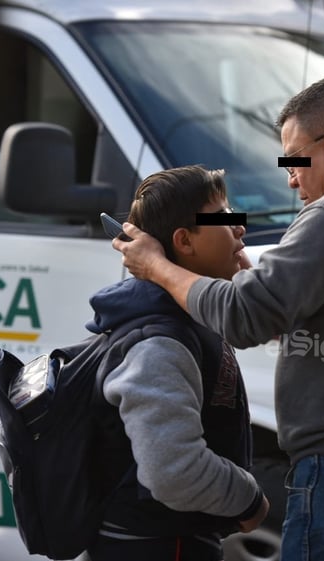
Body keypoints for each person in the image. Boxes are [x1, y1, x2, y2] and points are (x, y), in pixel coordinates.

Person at [114, 77, 324, 560]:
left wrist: (156, 266)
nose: (290, 178)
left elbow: (242, 318)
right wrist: (264, 287)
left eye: (295, 160)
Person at [86, 165, 269, 561]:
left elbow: (263, 319)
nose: (240, 228)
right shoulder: (159, 343)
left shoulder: (192, 315)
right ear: (184, 241)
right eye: (223, 219)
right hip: (154, 546)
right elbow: (173, 471)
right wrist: (249, 499)